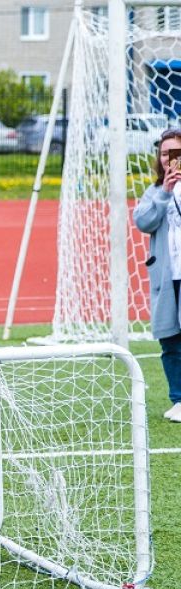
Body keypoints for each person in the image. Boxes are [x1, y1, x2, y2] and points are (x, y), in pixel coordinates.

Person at [132, 128, 181, 421]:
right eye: (165, 153)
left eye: (176, 153)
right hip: (166, 277)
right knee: (170, 340)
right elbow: (144, 221)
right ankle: (178, 399)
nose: (169, 159)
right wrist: (165, 191)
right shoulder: (154, 192)